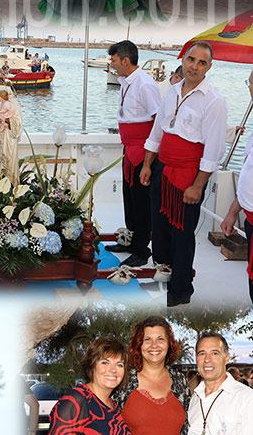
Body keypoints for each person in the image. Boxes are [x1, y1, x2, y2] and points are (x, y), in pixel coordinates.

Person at [140, 41, 228, 306]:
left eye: (202, 62)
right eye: (191, 59)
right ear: (184, 59)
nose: (195, 66)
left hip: (188, 177)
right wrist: (147, 165)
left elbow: (213, 150)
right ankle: (161, 281)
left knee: (182, 234)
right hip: (161, 170)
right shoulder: (170, 92)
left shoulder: (214, 102)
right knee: (160, 228)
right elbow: (158, 130)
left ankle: (180, 291)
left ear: (209, 67)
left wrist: (198, 186)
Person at [107, 40, 161, 268]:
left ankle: (141, 250)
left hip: (142, 151)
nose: (111, 64)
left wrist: (149, 159)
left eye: (114, 60)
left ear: (125, 61)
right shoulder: (126, 82)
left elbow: (158, 120)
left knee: (141, 202)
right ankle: (130, 241)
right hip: (129, 148)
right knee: (129, 198)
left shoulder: (145, 84)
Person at [220, 66, 253, 304]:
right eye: (249, 82)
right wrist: (233, 212)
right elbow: (248, 175)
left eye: (250, 83)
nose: (250, 88)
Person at [0, 85, 22, 184]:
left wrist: (5, 120)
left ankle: (12, 183)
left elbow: (18, 124)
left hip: (10, 136)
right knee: (1, 159)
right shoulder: (3, 104)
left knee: (10, 159)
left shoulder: (14, 106)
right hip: (2, 135)